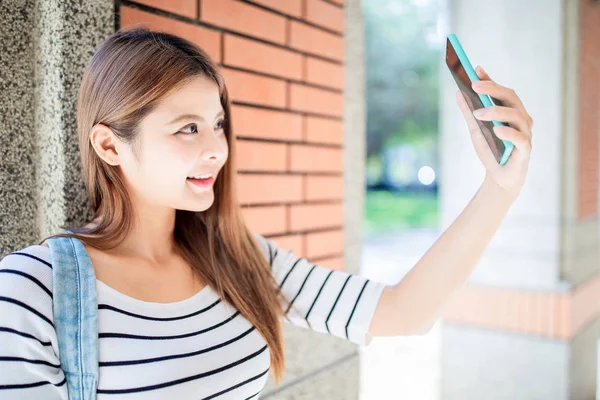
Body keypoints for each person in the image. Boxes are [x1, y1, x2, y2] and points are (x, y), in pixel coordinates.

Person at [0, 28, 533, 399]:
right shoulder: (32, 291)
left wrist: (500, 188)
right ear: (110, 146)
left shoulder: (236, 255)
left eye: (217, 124)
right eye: (188, 128)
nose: (217, 149)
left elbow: (403, 312)